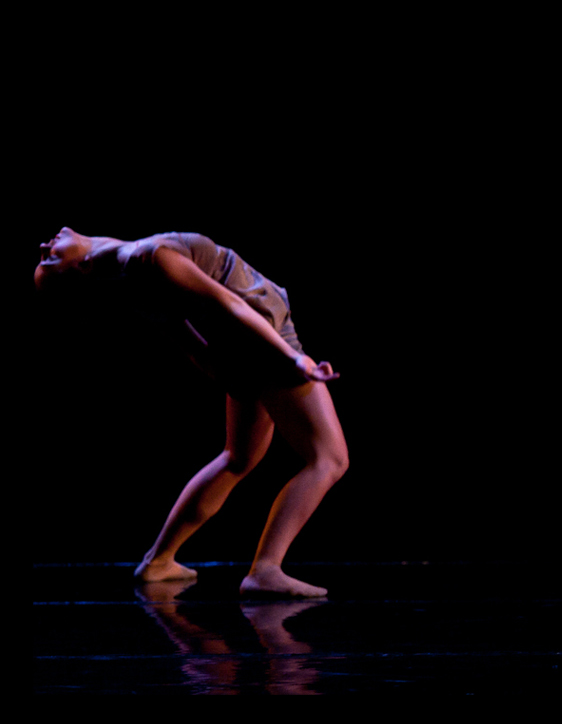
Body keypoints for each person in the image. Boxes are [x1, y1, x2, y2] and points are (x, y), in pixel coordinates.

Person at [35, 227, 349, 597]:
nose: (44, 245)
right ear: (85, 267)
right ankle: (265, 569)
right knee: (329, 459)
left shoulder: (133, 274)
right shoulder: (149, 259)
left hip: (247, 351)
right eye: (49, 260)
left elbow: (190, 342)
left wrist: (234, 374)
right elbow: (228, 304)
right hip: (266, 343)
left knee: (238, 459)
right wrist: (291, 358)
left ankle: (158, 562)